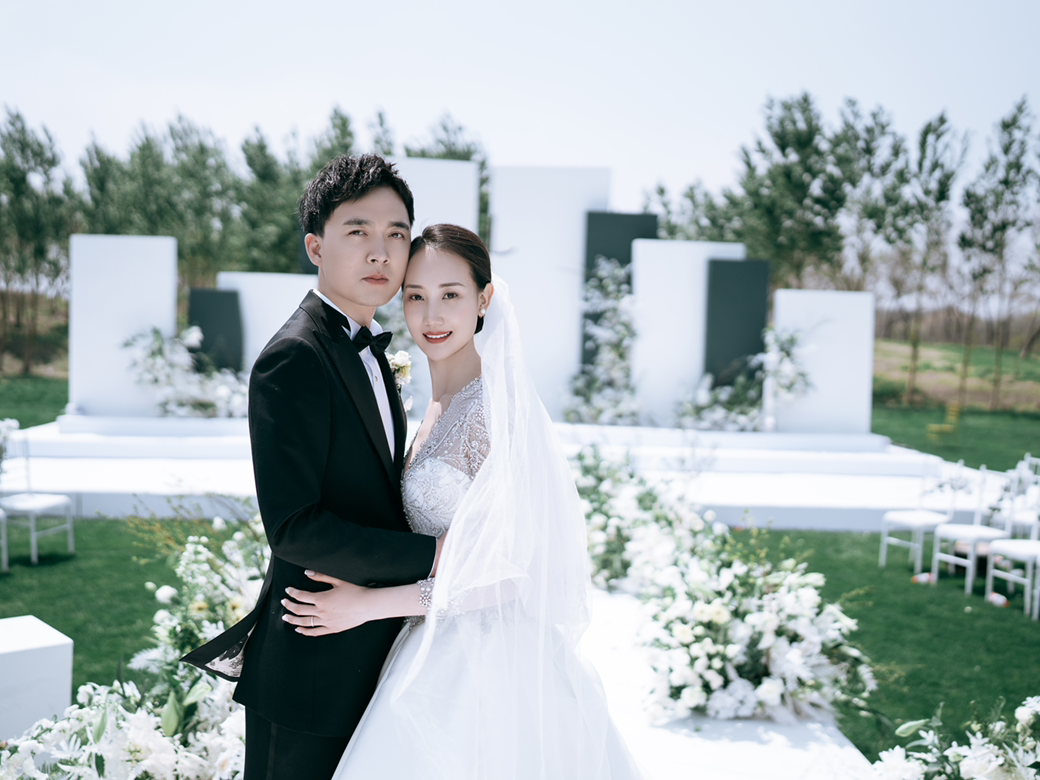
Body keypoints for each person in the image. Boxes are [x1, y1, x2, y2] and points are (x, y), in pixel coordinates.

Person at [284, 224, 646, 779]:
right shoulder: (425, 406)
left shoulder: (498, 412)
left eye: (450, 294)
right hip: (422, 643)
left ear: (483, 299)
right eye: (416, 296)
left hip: (487, 667)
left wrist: (366, 605)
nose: (432, 316)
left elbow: (507, 575)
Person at [182, 154, 443, 780]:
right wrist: (435, 557)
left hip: (373, 657)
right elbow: (296, 528)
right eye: (358, 231)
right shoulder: (295, 357)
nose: (380, 251)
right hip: (311, 669)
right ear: (315, 247)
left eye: (397, 233)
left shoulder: (368, 350)